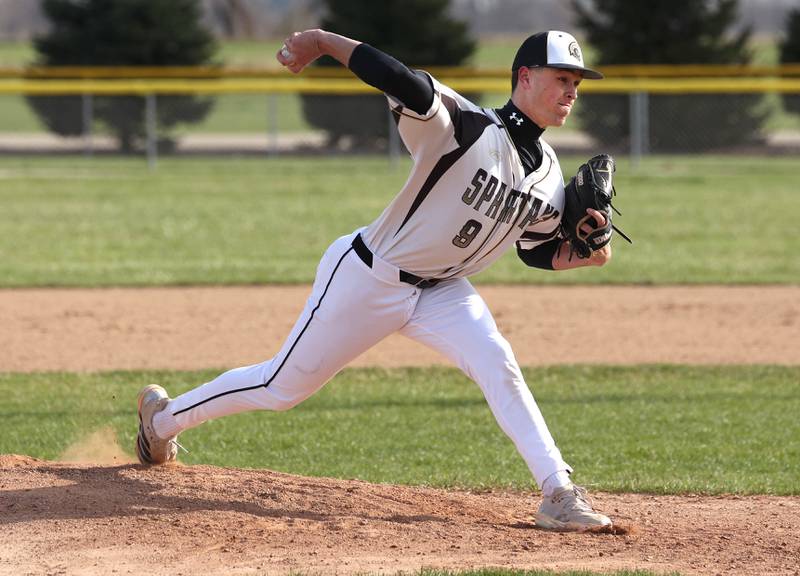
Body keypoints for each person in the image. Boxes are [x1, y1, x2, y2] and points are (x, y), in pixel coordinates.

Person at [135, 29, 615, 532]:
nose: (571, 92)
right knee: (281, 387)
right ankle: (162, 420)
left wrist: (586, 255)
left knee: (499, 363)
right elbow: (399, 79)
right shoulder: (466, 127)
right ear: (525, 76)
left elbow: (537, 250)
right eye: (562, 78)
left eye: (577, 83)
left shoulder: (550, 177)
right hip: (371, 276)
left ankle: (558, 491)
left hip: (444, 292)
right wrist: (321, 42)